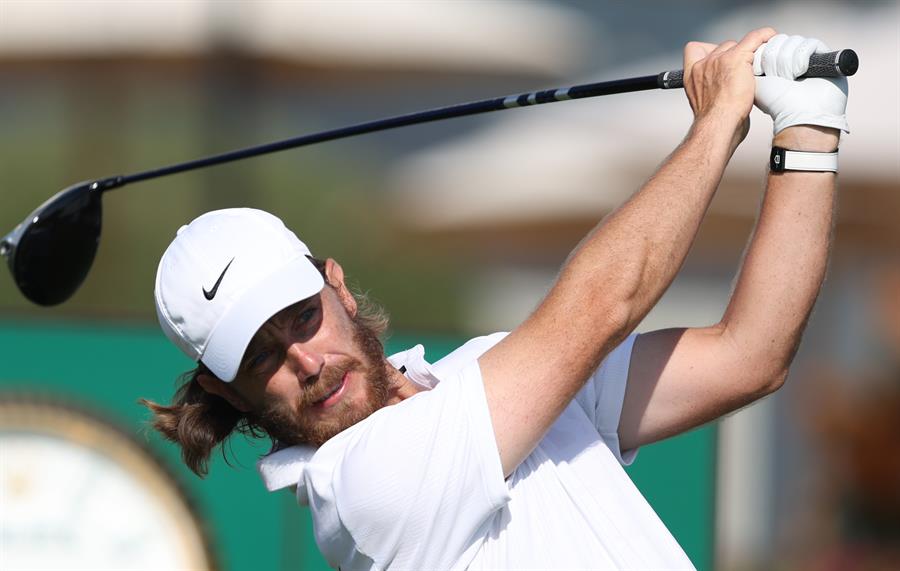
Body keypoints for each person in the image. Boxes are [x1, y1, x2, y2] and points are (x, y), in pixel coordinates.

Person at [143, 29, 849, 570]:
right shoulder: (359, 487)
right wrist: (717, 120)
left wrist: (808, 129)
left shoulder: (488, 376)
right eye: (262, 355)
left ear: (336, 285)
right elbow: (603, 303)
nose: (306, 359)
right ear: (226, 392)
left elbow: (748, 354)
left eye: (301, 317)